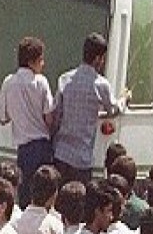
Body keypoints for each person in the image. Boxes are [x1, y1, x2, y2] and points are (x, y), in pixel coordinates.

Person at [51, 33, 129, 185]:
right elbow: (113, 109)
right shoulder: (101, 85)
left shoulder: (64, 79)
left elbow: (56, 116)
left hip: (60, 154)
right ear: (98, 58)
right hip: (82, 159)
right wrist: (124, 98)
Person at [0, 37, 56, 209]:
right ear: (32, 62)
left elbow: (3, 118)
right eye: (41, 60)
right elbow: (49, 118)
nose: (43, 64)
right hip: (43, 148)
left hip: (24, 150)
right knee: (43, 200)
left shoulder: (9, 82)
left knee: (24, 200)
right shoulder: (41, 82)